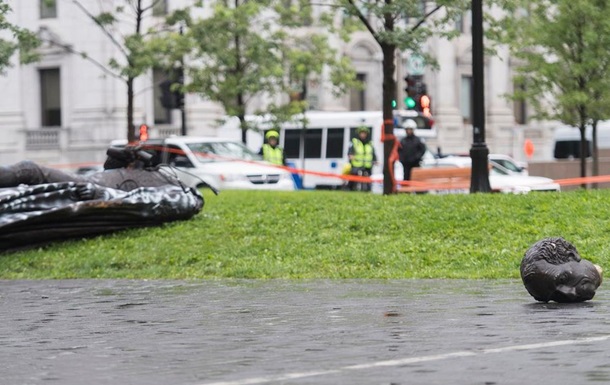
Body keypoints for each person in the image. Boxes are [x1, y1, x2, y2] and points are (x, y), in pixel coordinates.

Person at [347, 125, 376, 191]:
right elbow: (350, 151)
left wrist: (375, 160)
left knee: (367, 180)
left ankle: (367, 191)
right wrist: (351, 155)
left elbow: (373, 153)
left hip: (367, 165)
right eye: (362, 133)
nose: (363, 135)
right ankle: (351, 189)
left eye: (364, 133)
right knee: (353, 178)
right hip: (356, 164)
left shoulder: (370, 143)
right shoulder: (355, 142)